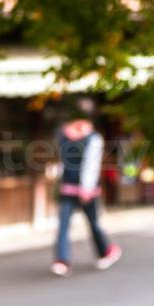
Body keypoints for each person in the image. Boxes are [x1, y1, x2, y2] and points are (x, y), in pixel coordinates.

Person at [51, 101, 122, 277]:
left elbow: (83, 163)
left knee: (82, 224)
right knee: (75, 224)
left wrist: (83, 186)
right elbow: (77, 162)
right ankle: (66, 259)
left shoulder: (80, 137)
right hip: (75, 189)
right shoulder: (79, 137)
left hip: (77, 188)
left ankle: (100, 252)